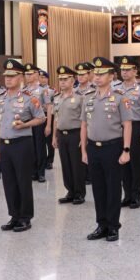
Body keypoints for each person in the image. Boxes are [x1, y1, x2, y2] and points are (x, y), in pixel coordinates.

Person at [82, 57, 132, 242]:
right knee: (98, 189)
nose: (97, 77)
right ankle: (101, 224)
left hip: (113, 147)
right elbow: (84, 125)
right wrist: (84, 151)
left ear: (111, 76)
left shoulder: (120, 97)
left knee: (112, 188)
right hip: (93, 148)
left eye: (102, 74)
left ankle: (113, 226)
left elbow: (127, 124)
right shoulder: (88, 98)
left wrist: (126, 150)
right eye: (96, 73)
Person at [0, 59, 45, 232]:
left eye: (12, 76)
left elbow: (41, 117)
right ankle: (14, 215)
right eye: (6, 76)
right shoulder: (0, 99)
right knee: (9, 182)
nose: (8, 79)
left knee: (23, 181)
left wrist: (25, 124)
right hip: (5, 145)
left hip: (22, 144)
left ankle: (25, 217)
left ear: (21, 77)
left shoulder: (30, 98)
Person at [118, 56, 140, 209]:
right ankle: (127, 195)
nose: (124, 72)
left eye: (127, 69)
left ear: (135, 71)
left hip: (136, 127)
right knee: (123, 163)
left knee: (136, 163)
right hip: (119, 128)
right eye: (122, 70)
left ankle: (136, 196)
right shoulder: (115, 89)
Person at [53, 66, 86, 205]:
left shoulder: (80, 98)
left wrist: (84, 138)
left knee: (76, 165)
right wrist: (54, 136)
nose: (62, 82)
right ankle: (70, 191)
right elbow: (56, 118)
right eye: (60, 79)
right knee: (65, 164)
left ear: (72, 80)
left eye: (65, 79)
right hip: (62, 135)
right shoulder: (56, 98)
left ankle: (79, 193)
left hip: (75, 134)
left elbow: (85, 120)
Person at [23, 64, 52, 183]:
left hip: (39, 122)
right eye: (26, 74)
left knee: (40, 147)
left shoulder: (42, 90)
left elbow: (49, 107)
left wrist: (48, 125)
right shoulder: (23, 90)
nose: (28, 76)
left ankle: (41, 173)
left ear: (36, 74)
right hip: (27, 122)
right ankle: (33, 171)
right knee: (30, 148)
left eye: (30, 74)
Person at [75, 62, 96, 185]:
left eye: (83, 74)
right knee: (78, 151)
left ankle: (90, 175)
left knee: (89, 150)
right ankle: (82, 175)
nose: (80, 77)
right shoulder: (73, 91)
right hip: (76, 125)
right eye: (78, 75)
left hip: (90, 124)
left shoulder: (94, 90)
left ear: (89, 75)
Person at [39, 70, 57, 169]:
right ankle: (41, 160)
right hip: (39, 116)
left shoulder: (52, 91)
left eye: (45, 77)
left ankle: (50, 160)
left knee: (49, 139)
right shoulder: (35, 90)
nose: (43, 79)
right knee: (40, 139)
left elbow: (54, 105)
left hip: (49, 115)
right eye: (41, 77)